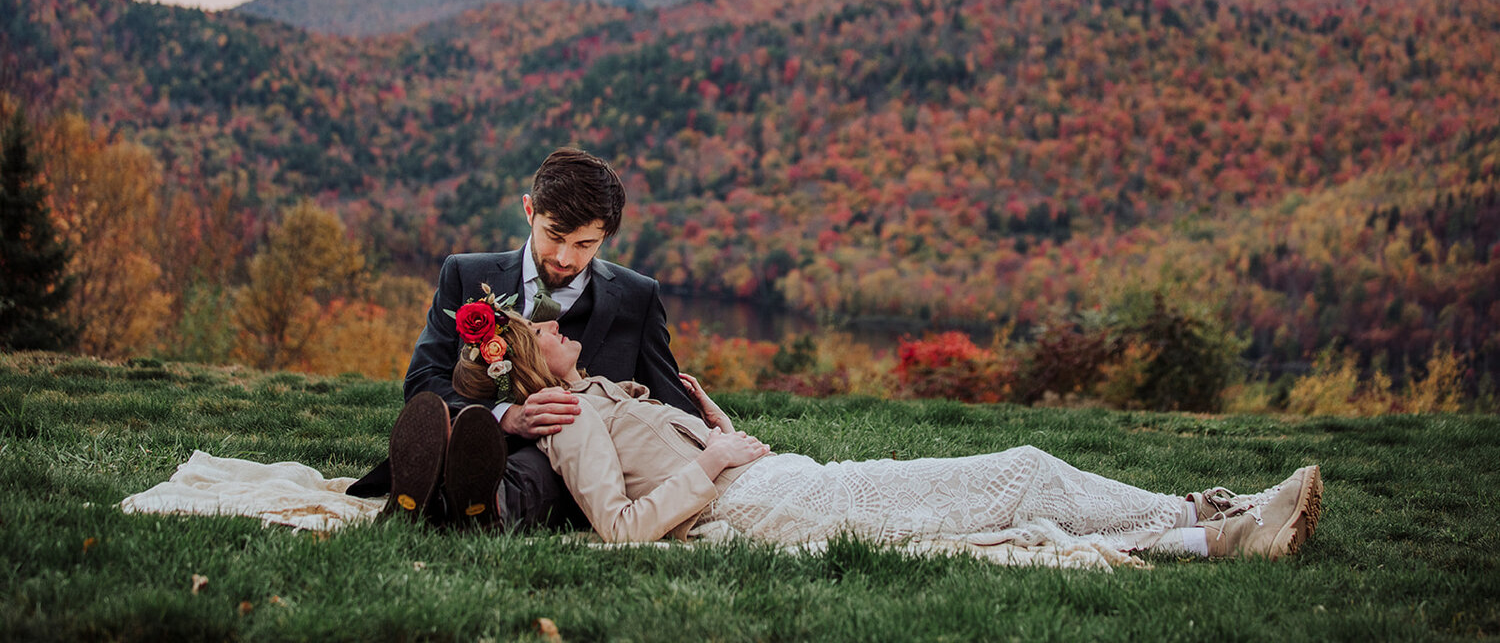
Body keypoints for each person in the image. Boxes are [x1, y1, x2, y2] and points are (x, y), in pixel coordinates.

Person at [390, 310, 1324, 560]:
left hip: (786, 478)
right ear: (531, 358)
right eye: (551, 331)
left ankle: (1214, 528)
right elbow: (623, 529)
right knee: (1020, 474)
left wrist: (715, 428)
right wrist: (714, 462)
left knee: (1003, 503)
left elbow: (692, 456)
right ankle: (1218, 523)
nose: (570, 329)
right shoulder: (570, 419)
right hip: (765, 507)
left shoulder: (602, 388)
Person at [350, 147, 700, 529]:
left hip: (579, 466)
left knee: (544, 472)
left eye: (585, 245)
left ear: (606, 236)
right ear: (530, 210)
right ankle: (448, 491)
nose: (566, 258)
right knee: (503, 458)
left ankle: (449, 500)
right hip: (479, 437)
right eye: (555, 236)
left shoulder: (638, 297)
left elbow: (670, 399)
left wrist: (714, 436)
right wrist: (507, 417)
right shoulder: (465, 274)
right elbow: (423, 383)